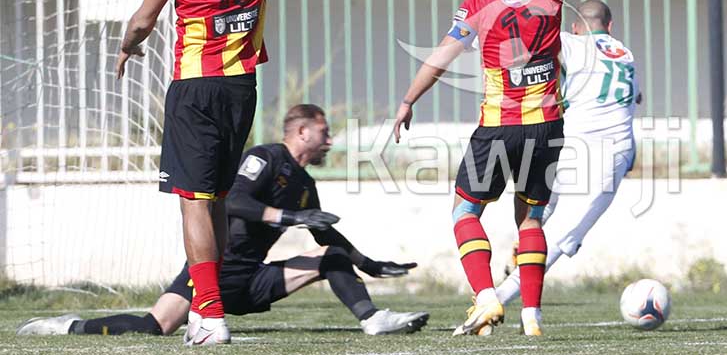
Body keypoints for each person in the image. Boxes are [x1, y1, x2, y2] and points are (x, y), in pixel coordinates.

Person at [390, 0, 631, 337]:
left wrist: (408, 100)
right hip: (546, 126)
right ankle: (532, 316)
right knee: (533, 216)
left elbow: (440, 56)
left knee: (465, 212)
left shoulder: (478, 5)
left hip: (498, 126)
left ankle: (484, 298)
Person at [115, 0, 319, 345]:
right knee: (220, 198)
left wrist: (128, 46)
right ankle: (211, 309)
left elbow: (144, 19)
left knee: (193, 201)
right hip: (241, 87)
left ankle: (208, 316)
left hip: (194, 87)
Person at [17, 105, 428, 339]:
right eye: (324, 132)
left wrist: (368, 263)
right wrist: (288, 217)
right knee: (151, 327)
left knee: (331, 255)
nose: (330, 139)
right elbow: (235, 203)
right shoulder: (265, 158)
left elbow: (322, 230)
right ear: (302, 131)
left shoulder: (302, 181)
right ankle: (68, 326)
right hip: (212, 273)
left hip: (252, 279)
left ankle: (372, 320)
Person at [494, 0, 640, 305]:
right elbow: (635, 95)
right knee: (564, 234)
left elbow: (539, 44)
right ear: (610, 26)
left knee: (542, 207)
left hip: (570, 143)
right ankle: (501, 296)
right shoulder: (625, 54)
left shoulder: (571, 42)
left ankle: (512, 266)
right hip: (612, 151)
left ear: (576, 28)